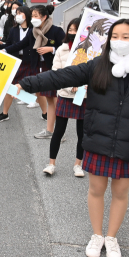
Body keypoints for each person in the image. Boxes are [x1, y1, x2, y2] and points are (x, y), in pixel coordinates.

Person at [16, 18, 129, 257]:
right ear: (109, 40)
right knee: (96, 189)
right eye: (115, 36)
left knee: (121, 193)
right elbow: (61, 77)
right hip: (99, 138)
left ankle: (111, 238)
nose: (120, 41)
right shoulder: (96, 66)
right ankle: (97, 235)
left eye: (126, 36)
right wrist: (26, 82)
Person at [4, 5, 64, 127]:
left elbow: (66, 48)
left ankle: (58, 125)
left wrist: (51, 49)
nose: (33, 19)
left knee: (54, 98)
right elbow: (21, 44)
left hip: (52, 67)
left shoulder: (56, 31)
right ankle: (50, 125)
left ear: (44, 17)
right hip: (37, 66)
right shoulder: (33, 31)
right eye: (32, 16)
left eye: (36, 16)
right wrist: (4, 50)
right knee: (47, 96)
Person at [41, 18, 86, 177]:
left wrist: (82, 86)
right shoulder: (61, 49)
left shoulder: (90, 51)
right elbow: (56, 73)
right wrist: (69, 86)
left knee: (82, 132)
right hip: (65, 95)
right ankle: (51, 163)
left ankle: (78, 165)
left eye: (76, 30)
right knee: (58, 130)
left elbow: (94, 74)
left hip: (83, 95)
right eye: (71, 30)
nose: (73, 33)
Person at [0, 5, 34, 122]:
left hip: (30, 61)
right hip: (16, 61)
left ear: (27, 15)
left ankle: (45, 112)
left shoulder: (33, 30)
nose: (18, 16)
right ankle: (5, 113)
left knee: (38, 89)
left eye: (21, 13)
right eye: (17, 13)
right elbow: (9, 45)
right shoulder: (14, 30)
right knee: (10, 87)